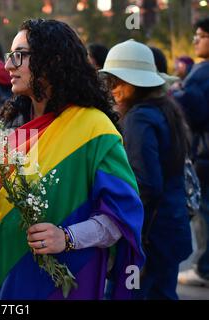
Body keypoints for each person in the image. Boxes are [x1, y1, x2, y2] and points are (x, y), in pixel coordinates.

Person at [0, 19, 145, 300]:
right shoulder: (20, 127)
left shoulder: (95, 129)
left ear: (52, 62)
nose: (8, 65)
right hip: (10, 278)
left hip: (68, 280)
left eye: (19, 55)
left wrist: (66, 237)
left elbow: (121, 219)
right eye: (10, 55)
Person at [101, 39, 192, 299]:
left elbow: (146, 185)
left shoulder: (139, 119)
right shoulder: (165, 109)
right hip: (170, 230)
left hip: (149, 238)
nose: (112, 89)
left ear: (136, 84)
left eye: (117, 81)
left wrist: (130, 236)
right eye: (110, 81)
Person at [174, 17, 209, 287]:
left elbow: (191, 112)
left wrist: (175, 95)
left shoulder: (202, 72)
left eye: (200, 35)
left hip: (204, 153)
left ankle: (204, 267)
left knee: (204, 211)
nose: (195, 40)